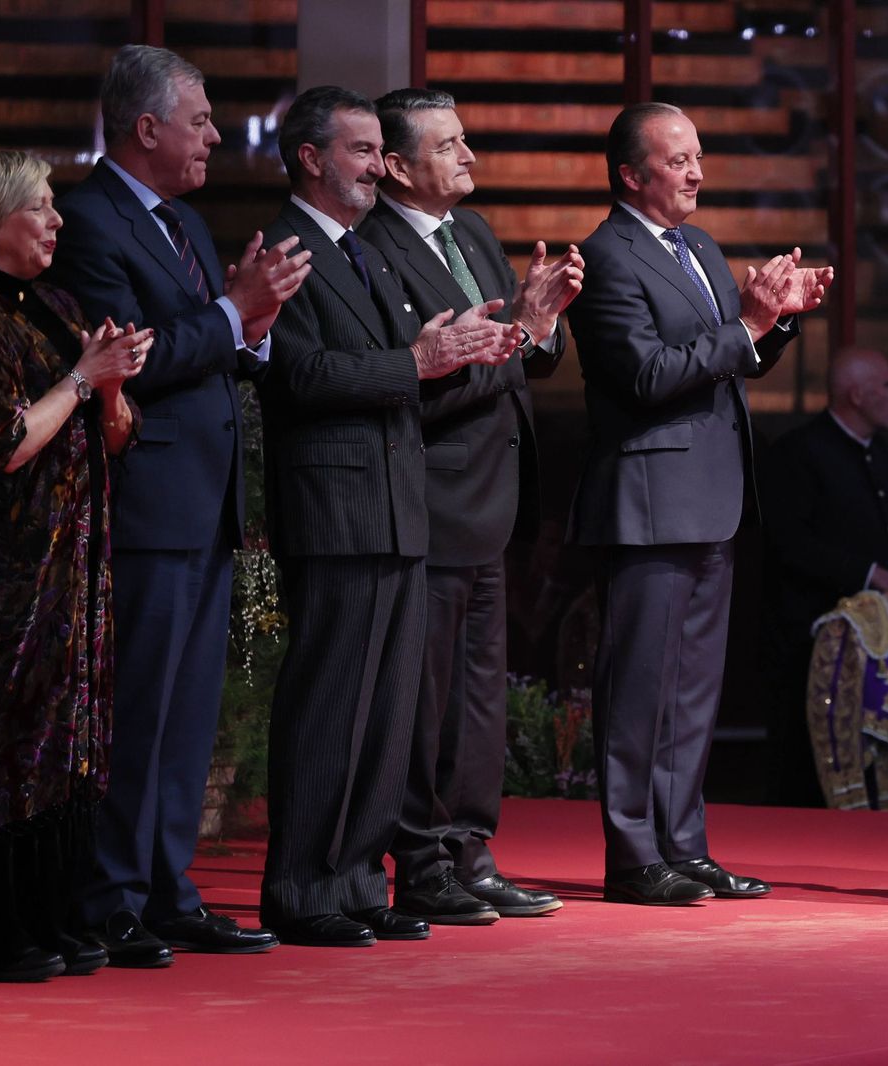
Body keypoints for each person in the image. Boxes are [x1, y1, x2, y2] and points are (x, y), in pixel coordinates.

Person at [49, 45, 310, 965]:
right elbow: (139, 358)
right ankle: (111, 895)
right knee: (141, 705)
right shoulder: (89, 221)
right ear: (146, 127)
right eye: (198, 120)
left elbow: (219, 349)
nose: (213, 135)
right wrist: (237, 312)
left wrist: (256, 326)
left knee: (189, 710)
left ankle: (169, 888)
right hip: (147, 498)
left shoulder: (189, 228)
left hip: (208, 501)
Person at [255, 86, 518, 946]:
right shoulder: (287, 249)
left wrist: (446, 353)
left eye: (377, 151)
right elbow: (302, 376)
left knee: (386, 710)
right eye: (362, 151)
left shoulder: (360, 251)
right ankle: (303, 889)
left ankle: (361, 880)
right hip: (336, 504)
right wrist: (418, 361)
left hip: (402, 504)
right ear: (311, 158)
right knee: (332, 702)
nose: (375, 166)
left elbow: (402, 362)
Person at [566, 102, 832, 905]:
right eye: (679, 160)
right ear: (631, 175)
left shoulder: (700, 248)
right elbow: (646, 374)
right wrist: (748, 322)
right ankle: (632, 852)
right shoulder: (605, 257)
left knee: (692, 695)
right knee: (639, 686)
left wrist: (774, 322)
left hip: (712, 494)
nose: (697, 173)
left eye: (698, 157)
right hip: (648, 499)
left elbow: (729, 356)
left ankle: (684, 845)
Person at [0, 150, 152, 980]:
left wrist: (113, 385)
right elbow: (1, 444)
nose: (57, 221)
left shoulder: (54, 303)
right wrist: (86, 379)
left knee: (68, 748)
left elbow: (114, 436)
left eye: (54, 205)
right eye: (40, 207)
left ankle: (57, 920)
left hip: (71, 572)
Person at [354, 88, 583, 923]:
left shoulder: (475, 234)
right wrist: (511, 337)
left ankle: (471, 850)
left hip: (496, 498)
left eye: (466, 140)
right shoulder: (373, 248)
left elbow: (519, 358)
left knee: (482, 695)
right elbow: (413, 379)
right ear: (397, 165)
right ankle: (419, 859)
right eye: (447, 145)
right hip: (430, 496)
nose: (468, 157)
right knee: (428, 698)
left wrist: (541, 323)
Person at [757, 347, 888, 807]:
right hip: (813, 641)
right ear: (856, 394)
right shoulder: (799, 453)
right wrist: (870, 576)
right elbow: (788, 542)